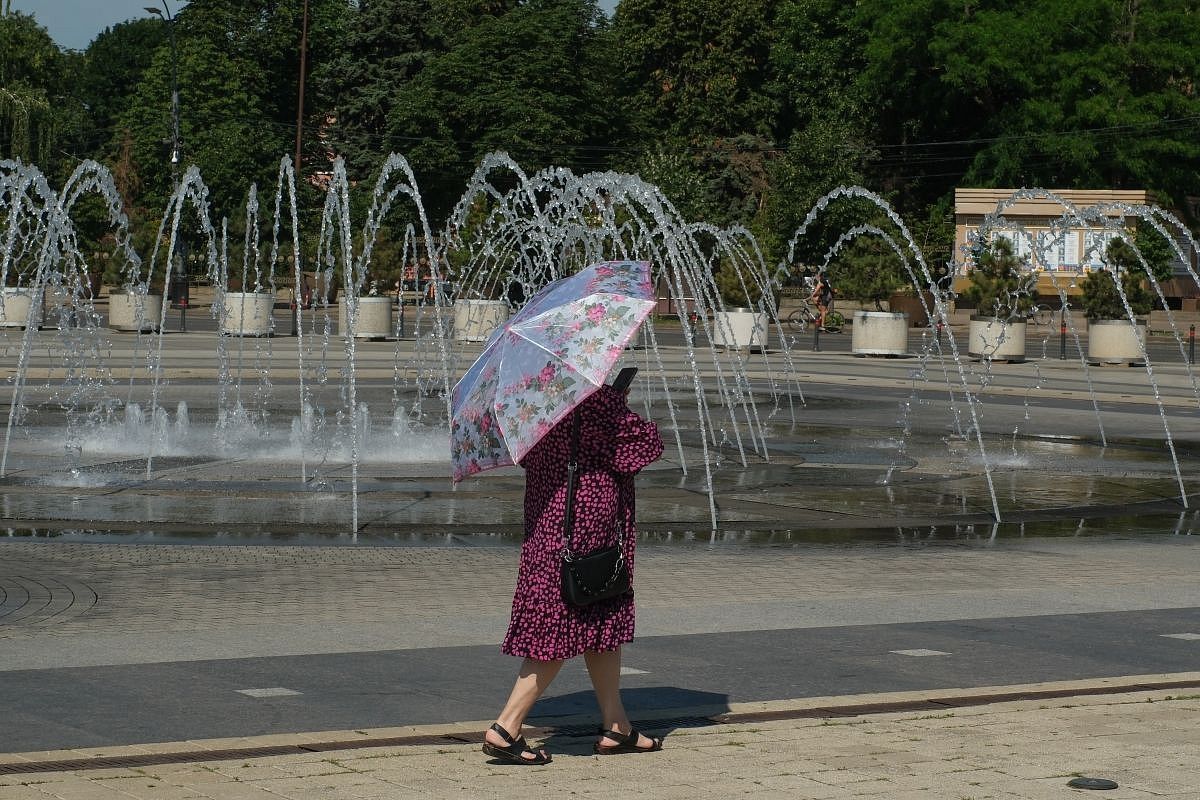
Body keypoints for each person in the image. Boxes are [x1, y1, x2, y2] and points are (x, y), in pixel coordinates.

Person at [482, 381, 665, 765]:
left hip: (546, 517)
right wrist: (617, 403)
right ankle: (506, 727)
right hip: (586, 520)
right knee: (564, 619)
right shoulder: (592, 398)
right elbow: (644, 447)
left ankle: (616, 726)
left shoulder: (525, 395)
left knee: (599, 616)